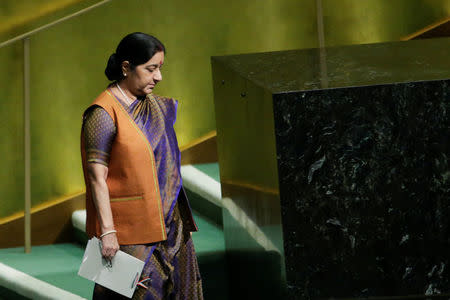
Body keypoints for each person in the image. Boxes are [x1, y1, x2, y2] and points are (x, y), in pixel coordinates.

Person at [80, 32, 203, 300]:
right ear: (126, 67)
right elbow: (96, 178)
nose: (158, 77)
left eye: (160, 68)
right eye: (151, 69)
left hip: (171, 225)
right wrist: (108, 234)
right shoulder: (102, 113)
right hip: (129, 235)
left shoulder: (155, 107)